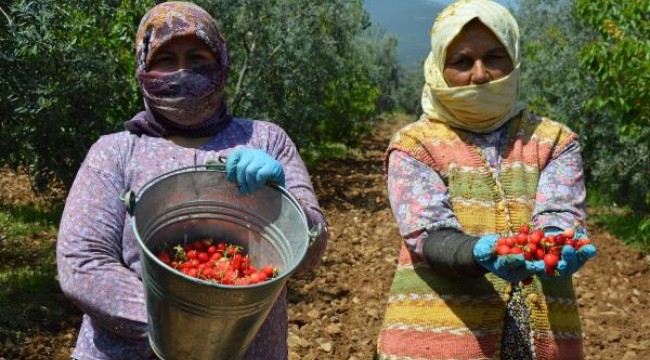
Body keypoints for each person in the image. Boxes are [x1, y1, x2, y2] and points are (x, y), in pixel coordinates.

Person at [56, 2, 328, 359]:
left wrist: (288, 207)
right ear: (144, 68)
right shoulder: (116, 152)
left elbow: (313, 248)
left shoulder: (267, 140)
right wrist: (186, 321)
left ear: (221, 64)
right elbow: (82, 263)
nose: (182, 72)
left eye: (198, 58)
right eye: (166, 59)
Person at [375, 0, 597, 359]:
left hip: (541, 339)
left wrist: (557, 241)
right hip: (440, 338)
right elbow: (427, 232)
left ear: (513, 60)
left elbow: (559, 213)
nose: (480, 75)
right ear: (438, 68)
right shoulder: (415, 145)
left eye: (495, 57)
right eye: (462, 61)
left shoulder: (554, 141)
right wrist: (474, 252)